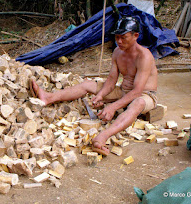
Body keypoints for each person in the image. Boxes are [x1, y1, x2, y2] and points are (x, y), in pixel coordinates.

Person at [30, 16, 158, 156]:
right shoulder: (117, 52)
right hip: (123, 91)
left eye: (123, 37)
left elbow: (137, 92)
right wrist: (100, 95)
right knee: (87, 85)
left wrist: (113, 106)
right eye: (116, 37)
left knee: (138, 102)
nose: (119, 41)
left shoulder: (144, 56)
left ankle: (103, 136)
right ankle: (49, 97)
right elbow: (111, 80)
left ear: (136, 36)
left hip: (145, 95)